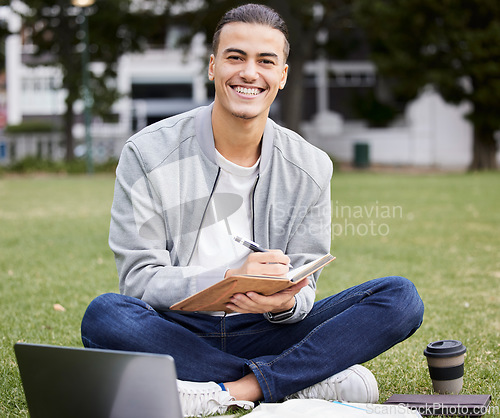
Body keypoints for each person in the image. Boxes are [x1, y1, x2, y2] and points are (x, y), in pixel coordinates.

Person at [81, 4, 424, 417]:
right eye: (235, 57)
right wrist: (226, 279)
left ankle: (227, 389)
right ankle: (294, 382)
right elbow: (138, 281)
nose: (249, 73)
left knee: (400, 297)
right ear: (213, 66)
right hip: (177, 328)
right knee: (105, 316)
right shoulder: (147, 153)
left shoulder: (311, 166)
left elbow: (306, 282)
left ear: (282, 75)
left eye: (266, 61)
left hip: (269, 330)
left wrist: (282, 304)